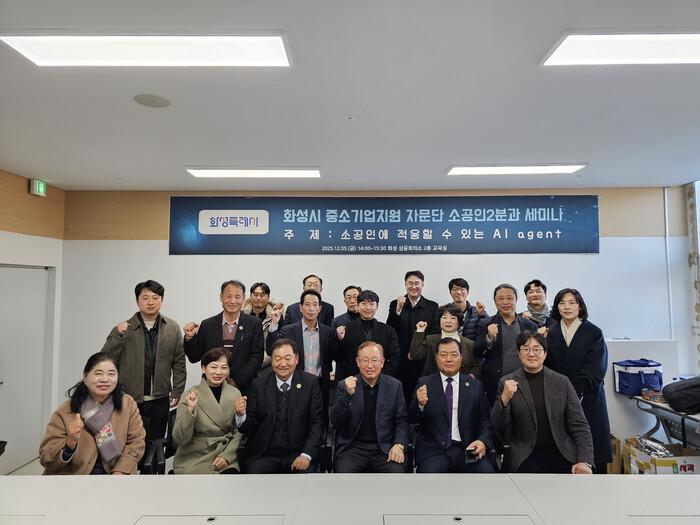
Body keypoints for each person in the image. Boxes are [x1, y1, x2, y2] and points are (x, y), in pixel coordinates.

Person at [491, 331, 594, 474]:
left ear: (545, 354)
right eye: (526, 349)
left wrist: (584, 460)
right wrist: (505, 399)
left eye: (536, 349)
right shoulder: (507, 382)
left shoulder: (562, 382)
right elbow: (498, 426)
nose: (531, 354)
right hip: (525, 455)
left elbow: (579, 424)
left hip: (562, 453)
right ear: (519, 354)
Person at [101, 279, 186, 450]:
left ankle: (153, 468)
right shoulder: (124, 329)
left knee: (155, 445)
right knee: (129, 444)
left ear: (162, 299)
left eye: (155, 298)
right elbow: (105, 359)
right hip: (129, 397)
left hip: (160, 398)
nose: (150, 302)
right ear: (137, 300)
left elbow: (179, 362)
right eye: (145, 298)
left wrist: (177, 390)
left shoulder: (172, 328)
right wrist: (117, 335)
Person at [39, 352, 145, 475]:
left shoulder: (127, 405)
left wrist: (120, 471)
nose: (105, 379)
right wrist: (70, 442)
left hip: (117, 473)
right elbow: (46, 458)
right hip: (75, 477)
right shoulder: (65, 411)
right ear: (85, 377)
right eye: (98, 373)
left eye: (111, 373)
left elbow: (136, 443)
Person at [545, 288, 612, 473]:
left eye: (572, 303)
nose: (567, 307)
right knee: (561, 450)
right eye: (562, 303)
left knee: (591, 446)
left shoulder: (593, 332)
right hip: (558, 397)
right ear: (556, 307)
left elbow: (596, 367)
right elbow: (547, 365)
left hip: (587, 396)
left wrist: (574, 392)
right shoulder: (551, 332)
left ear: (580, 306)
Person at [235, 338, 324, 473]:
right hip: (265, 454)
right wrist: (241, 415)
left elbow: (317, 424)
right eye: (277, 358)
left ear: (296, 359)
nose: (283, 364)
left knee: (306, 478)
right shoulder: (259, 384)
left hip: (298, 453)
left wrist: (306, 455)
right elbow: (248, 427)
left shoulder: (310, 383)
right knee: (254, 474)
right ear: (272, 360)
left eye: (288, 358)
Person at [409, 338, 495, 473]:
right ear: (436, 358)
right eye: (443, 355)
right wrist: (420, 404)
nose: (448, 359)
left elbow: (485, 420)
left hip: (467, 449)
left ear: (461, 358)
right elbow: (411, 418)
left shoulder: (475, 386)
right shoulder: (425, 383)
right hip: (434, 451)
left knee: (487, 474)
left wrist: (482, 441)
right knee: (427, 479)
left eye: (454, 355)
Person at [331, 341, 410, 473]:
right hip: (353, 449)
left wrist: (399, 445)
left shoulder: (394, 386)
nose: (370, 365)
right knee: (343, 475)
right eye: (365, 360)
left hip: (384, 448)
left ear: (382, 362)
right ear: (358, 362)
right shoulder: (345, 385)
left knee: (396, 472)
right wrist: (347, 396)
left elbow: (401, 421)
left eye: (374, 360)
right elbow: (335, 421)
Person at [183, 280, 264, 395]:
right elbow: (194, 357)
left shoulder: (254, 324)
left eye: (237, 297)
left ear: (243, 298)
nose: (233, 301)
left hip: (244, 388)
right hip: (212, 389)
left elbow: (257, 357)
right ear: (221, 297)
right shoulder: (207, 325)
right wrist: (190, 338)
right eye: (229, 296)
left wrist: (236, 382)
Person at [172, 347, 243, 474]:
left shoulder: (235, 394)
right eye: (214, 367)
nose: (219, 372)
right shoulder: (190, 394)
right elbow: (180, 438)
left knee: (231, 478)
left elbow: (240, 432)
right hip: (194, 455)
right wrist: (190, 409)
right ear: (203, 368)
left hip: (224, 451)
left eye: (224, 367)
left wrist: (227, 457)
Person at [267, 289, 336, 408]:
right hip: (295, 382)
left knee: (320, 416)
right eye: (307, 304)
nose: (311, 309)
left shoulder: (328, 332)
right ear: (301, 307)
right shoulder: (288, 330)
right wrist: (274, 323)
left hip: (320, 384)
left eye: (315, 305)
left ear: (320, 308)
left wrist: (341, 338)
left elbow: (336, 356)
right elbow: (271, 350)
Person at [475, 284, 539, 404]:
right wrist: (489, 338)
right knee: (498, 412)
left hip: (525, 380)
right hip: (495, 382)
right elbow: (478, 352)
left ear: (516, 300)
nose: (505, 302)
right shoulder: (486, 323)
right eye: (501, 298)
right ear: (495, 301)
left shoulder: (529, 325)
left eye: (509, 298)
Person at [387, 270, 439, 401]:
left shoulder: (432, 306)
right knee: (401, 395)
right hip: (400, 358)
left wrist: (418, 350)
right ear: (405, 284)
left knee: (422, 395)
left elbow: (434, 332)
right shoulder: (395, 304)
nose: (413, 286)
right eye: (410, 283)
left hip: (423, 359)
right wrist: (398, 309)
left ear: (423, 285)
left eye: (417, 283)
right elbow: (390, 329)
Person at [335, 290, 400, 379]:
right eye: (364, 304)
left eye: (372, 304)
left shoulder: (388, 331)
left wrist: (382, 376)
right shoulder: (347, 329)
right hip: (354, 380)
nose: (368, 307)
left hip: (381, 379)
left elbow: (395, 358)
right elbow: (339, 358)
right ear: (358, 306)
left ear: (377, 307)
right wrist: (340, 340)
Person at [409, 305, 481, 378]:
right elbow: (415, 355)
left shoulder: (469, 343)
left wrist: (470, 376)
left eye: (453, 318)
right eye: (444, 317)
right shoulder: (431, 340)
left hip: (460, 383)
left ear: (459, 322)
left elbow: (476, 366)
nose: (448, 321)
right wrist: (420, 331)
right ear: (439, 321)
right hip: (433, 382)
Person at [241, 281, 285, 371]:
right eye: (255, 295)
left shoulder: (276, 315)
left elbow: (278, 343)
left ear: (268, 297)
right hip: (244, 360)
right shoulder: (241, 314)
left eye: (262, 295)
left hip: (268, 361)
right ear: (250, 296)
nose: (258, 298)